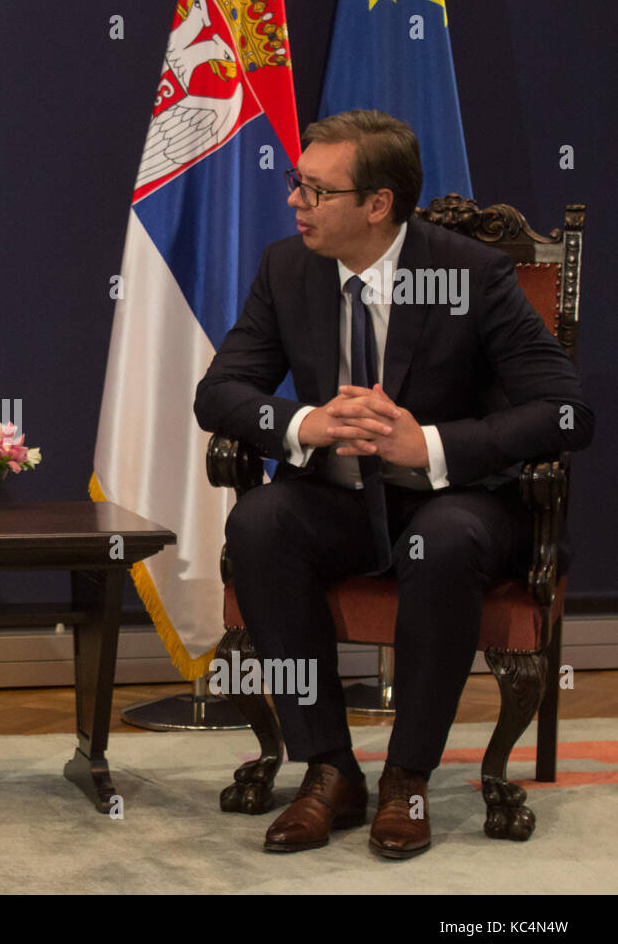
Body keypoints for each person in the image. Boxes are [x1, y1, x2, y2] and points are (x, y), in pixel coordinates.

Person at [193, 110, 593, 859]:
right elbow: (218, 393)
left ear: (377, 204)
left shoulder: (472, 274)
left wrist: (431, 443)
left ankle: (407, 776)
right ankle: (329, 769)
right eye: (296, 183)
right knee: (260, 521)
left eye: (315, 189)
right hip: (341, 502)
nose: (294, 202)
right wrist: (303, 422)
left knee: (441, 541)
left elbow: (568, 410)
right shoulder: (288, 268)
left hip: (458, 502)